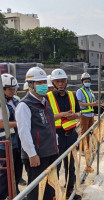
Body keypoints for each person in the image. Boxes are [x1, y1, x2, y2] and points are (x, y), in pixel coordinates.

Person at [15, 67, 59, 200]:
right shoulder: (24, 105)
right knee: (36, 191)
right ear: (30, 85)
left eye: (44, 82)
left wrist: (55, 146)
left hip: (50, 153)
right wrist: (32, 155)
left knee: (49, 190)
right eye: (39, 83)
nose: (43, 86)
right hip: (37, 157)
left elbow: (51, 127)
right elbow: (24, 133)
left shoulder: (45, 102)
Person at [46, 69, 81, 200]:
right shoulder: (48, 97)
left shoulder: (72, 95)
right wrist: (61, 115)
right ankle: (53, 194)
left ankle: (69, 189)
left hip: (71, 135)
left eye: (63, 81)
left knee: (70, 164)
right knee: (56, 165)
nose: (61, 84)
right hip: (56, 136)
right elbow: (46, 117)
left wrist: (75, 115)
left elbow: (79, 113)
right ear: (53, 82)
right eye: (58, 81)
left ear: (66, 82)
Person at [0, 74, 23, 200]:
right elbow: (1, 123)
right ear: (2, 89)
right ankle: (3, 194)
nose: (13, 91)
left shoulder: (16, 100)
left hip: (17, 141)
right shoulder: (0, 102)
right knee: (5, 172)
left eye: (14, 88)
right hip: (4, 143)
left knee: (18, 168)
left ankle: (14, 192)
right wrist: (19, 123)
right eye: (10, 89)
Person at [76, 73, 98, 151]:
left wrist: (95, 103)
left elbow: (93, 100)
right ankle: (82, 149)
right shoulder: (80, 91)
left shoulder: (91, 91)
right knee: (84, 132)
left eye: (88, 81)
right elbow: (79, 103)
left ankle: (87, 147)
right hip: (84, 115)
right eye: (86, 81)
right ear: (82, 82)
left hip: (91, 115)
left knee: (89, 132)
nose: (87, 82)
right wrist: (91, 104)